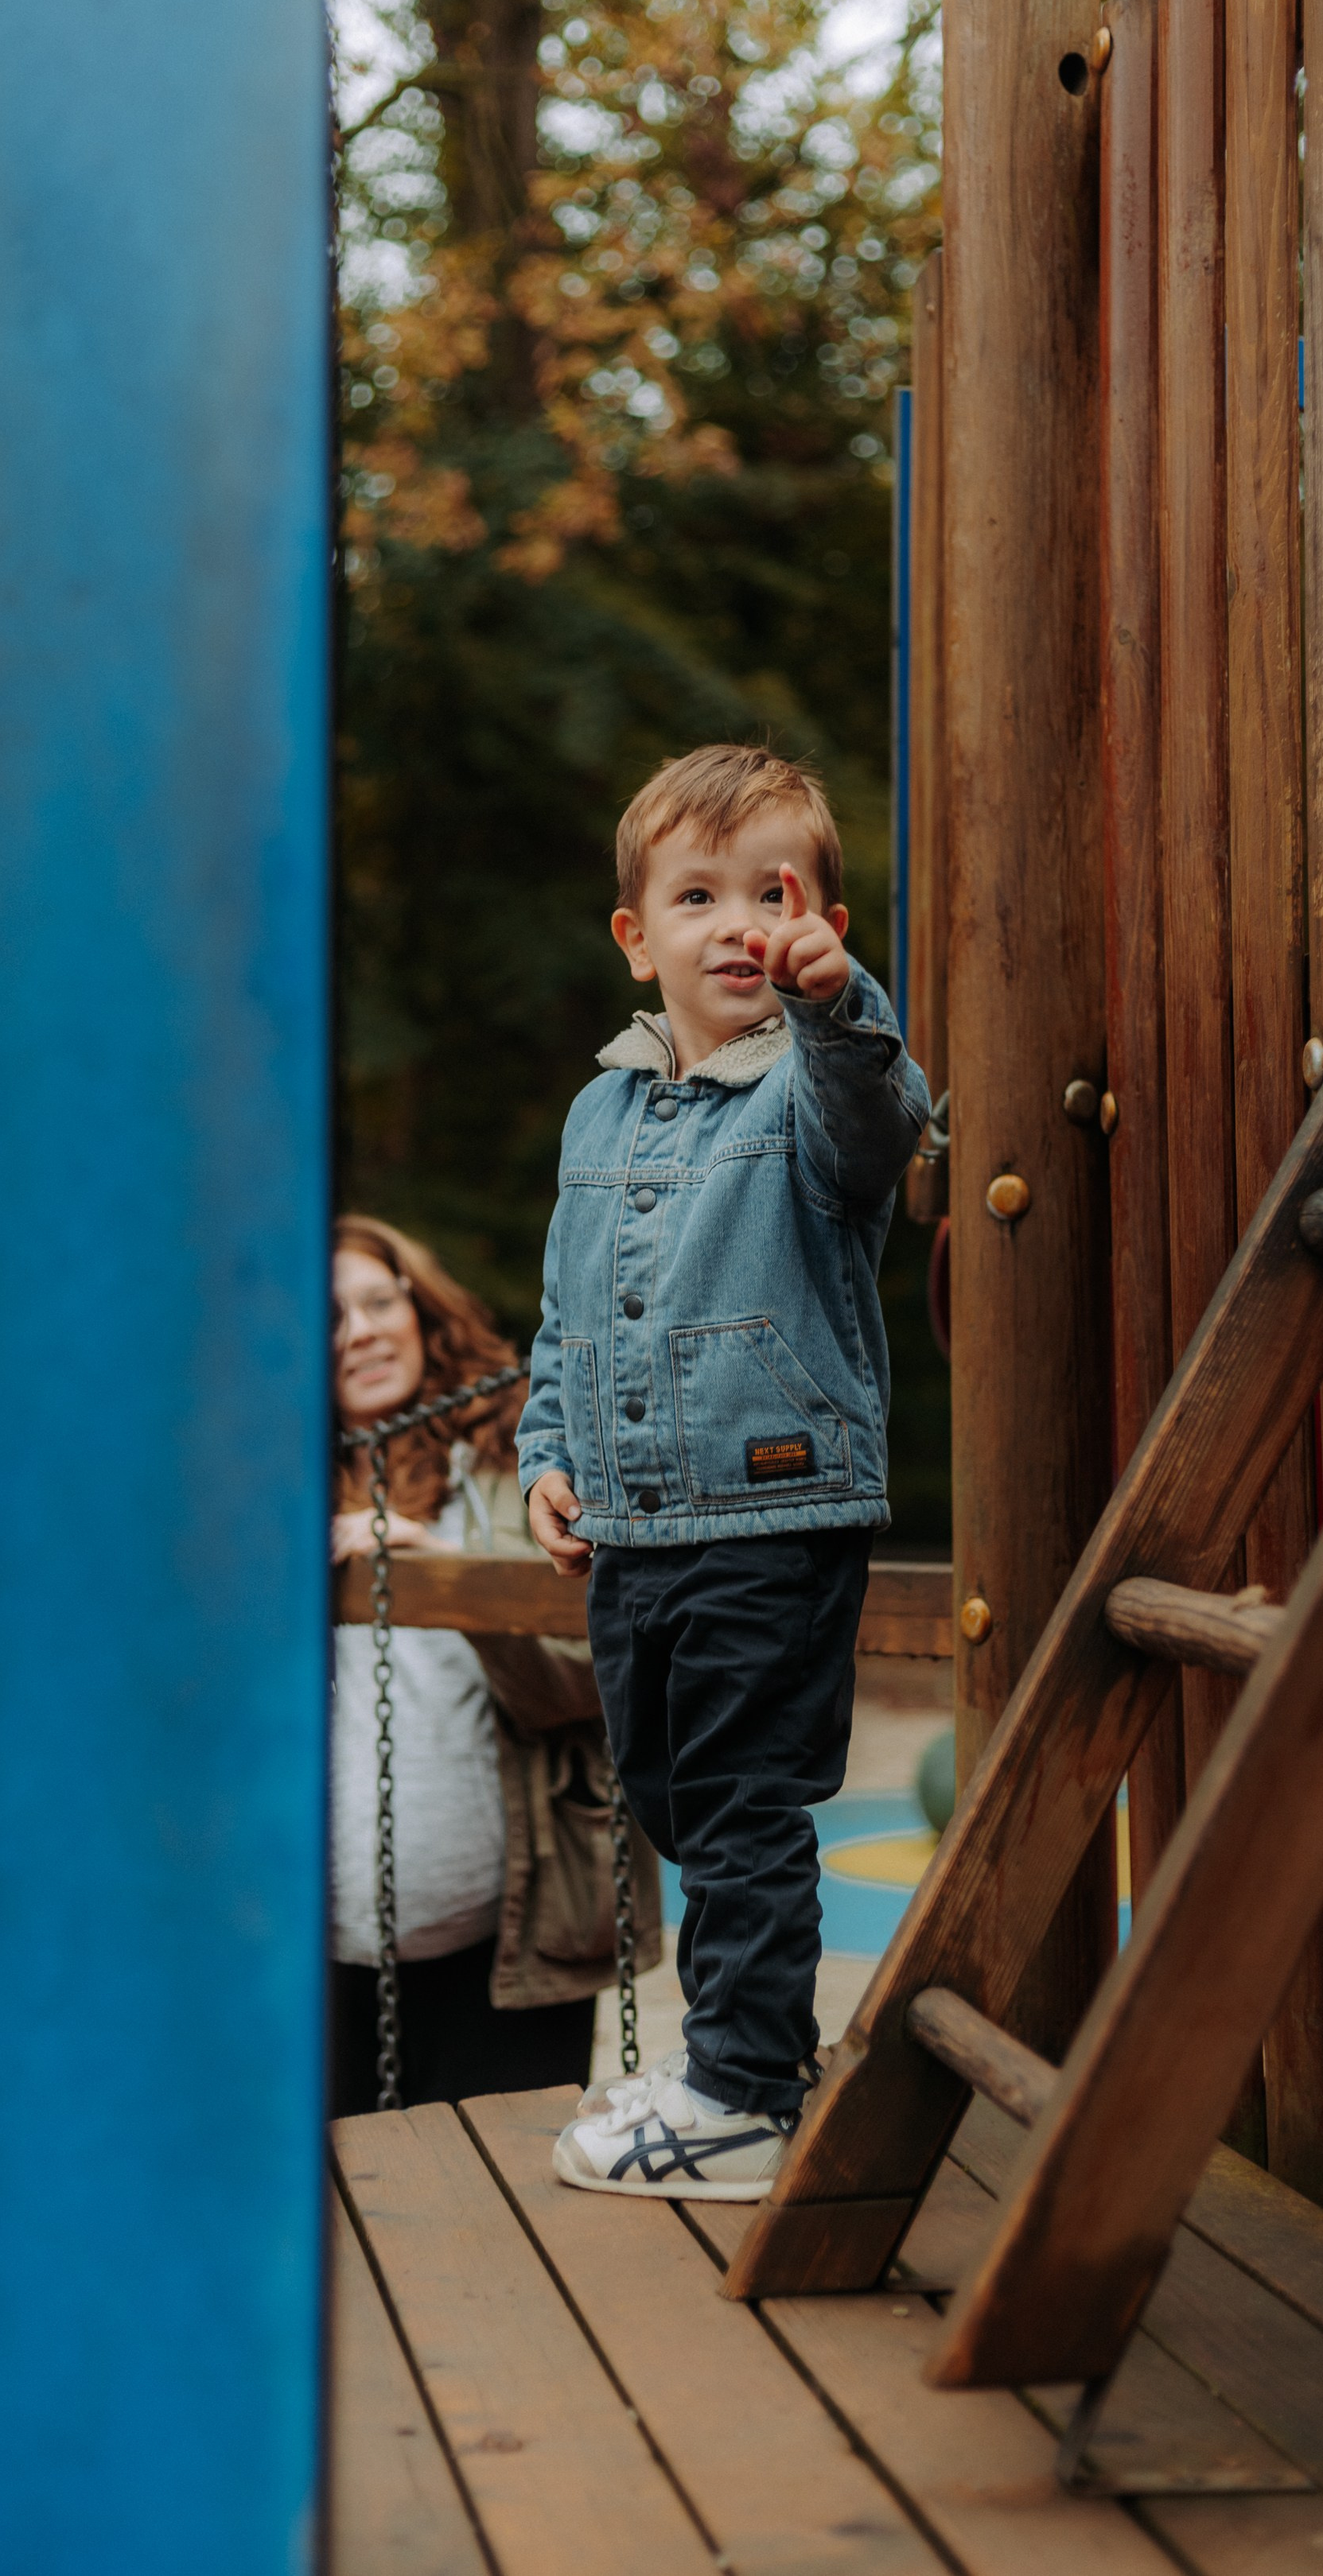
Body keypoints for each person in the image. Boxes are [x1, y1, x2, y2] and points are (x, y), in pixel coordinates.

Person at [517, 745, 930, 2197]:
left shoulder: (814, 1087)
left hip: (770, 1509)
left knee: (743, 1801)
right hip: (633, 1526)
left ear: (820, 919)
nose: (738, 923)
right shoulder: (600, 1114)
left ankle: (744, 2094)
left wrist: (839, 1001)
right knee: (674, 1799)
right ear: (637, 936)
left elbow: (881, 1118)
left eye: (773, 892)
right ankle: (731, 2058)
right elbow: (566, 1311)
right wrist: (547, 1453)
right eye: (697, 896)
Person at [329, 1216, 658, 2116]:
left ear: (421, 1308)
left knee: (497, 2187)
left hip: (511, 1942)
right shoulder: (262, 1485)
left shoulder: (524, 1453)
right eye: (329, 1318)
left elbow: (592, 1672)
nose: (360, 1333)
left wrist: (447, 1572)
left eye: (378, 1302)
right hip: (310, 1951)